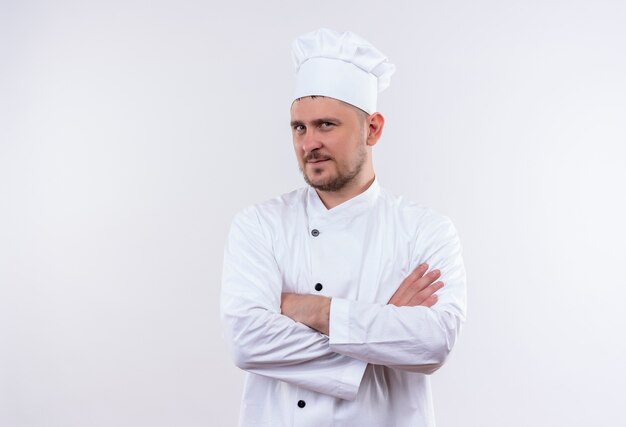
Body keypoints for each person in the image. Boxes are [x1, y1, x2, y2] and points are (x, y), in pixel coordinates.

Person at [221, 28, 467, 427]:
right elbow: (247, 342)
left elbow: (433, 344)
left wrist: (308, 308)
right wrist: (384, 326)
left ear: (372, 129)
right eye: (299, 128)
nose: (308, 144)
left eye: (326, 125)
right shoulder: (259, 225)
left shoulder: (426, 229)